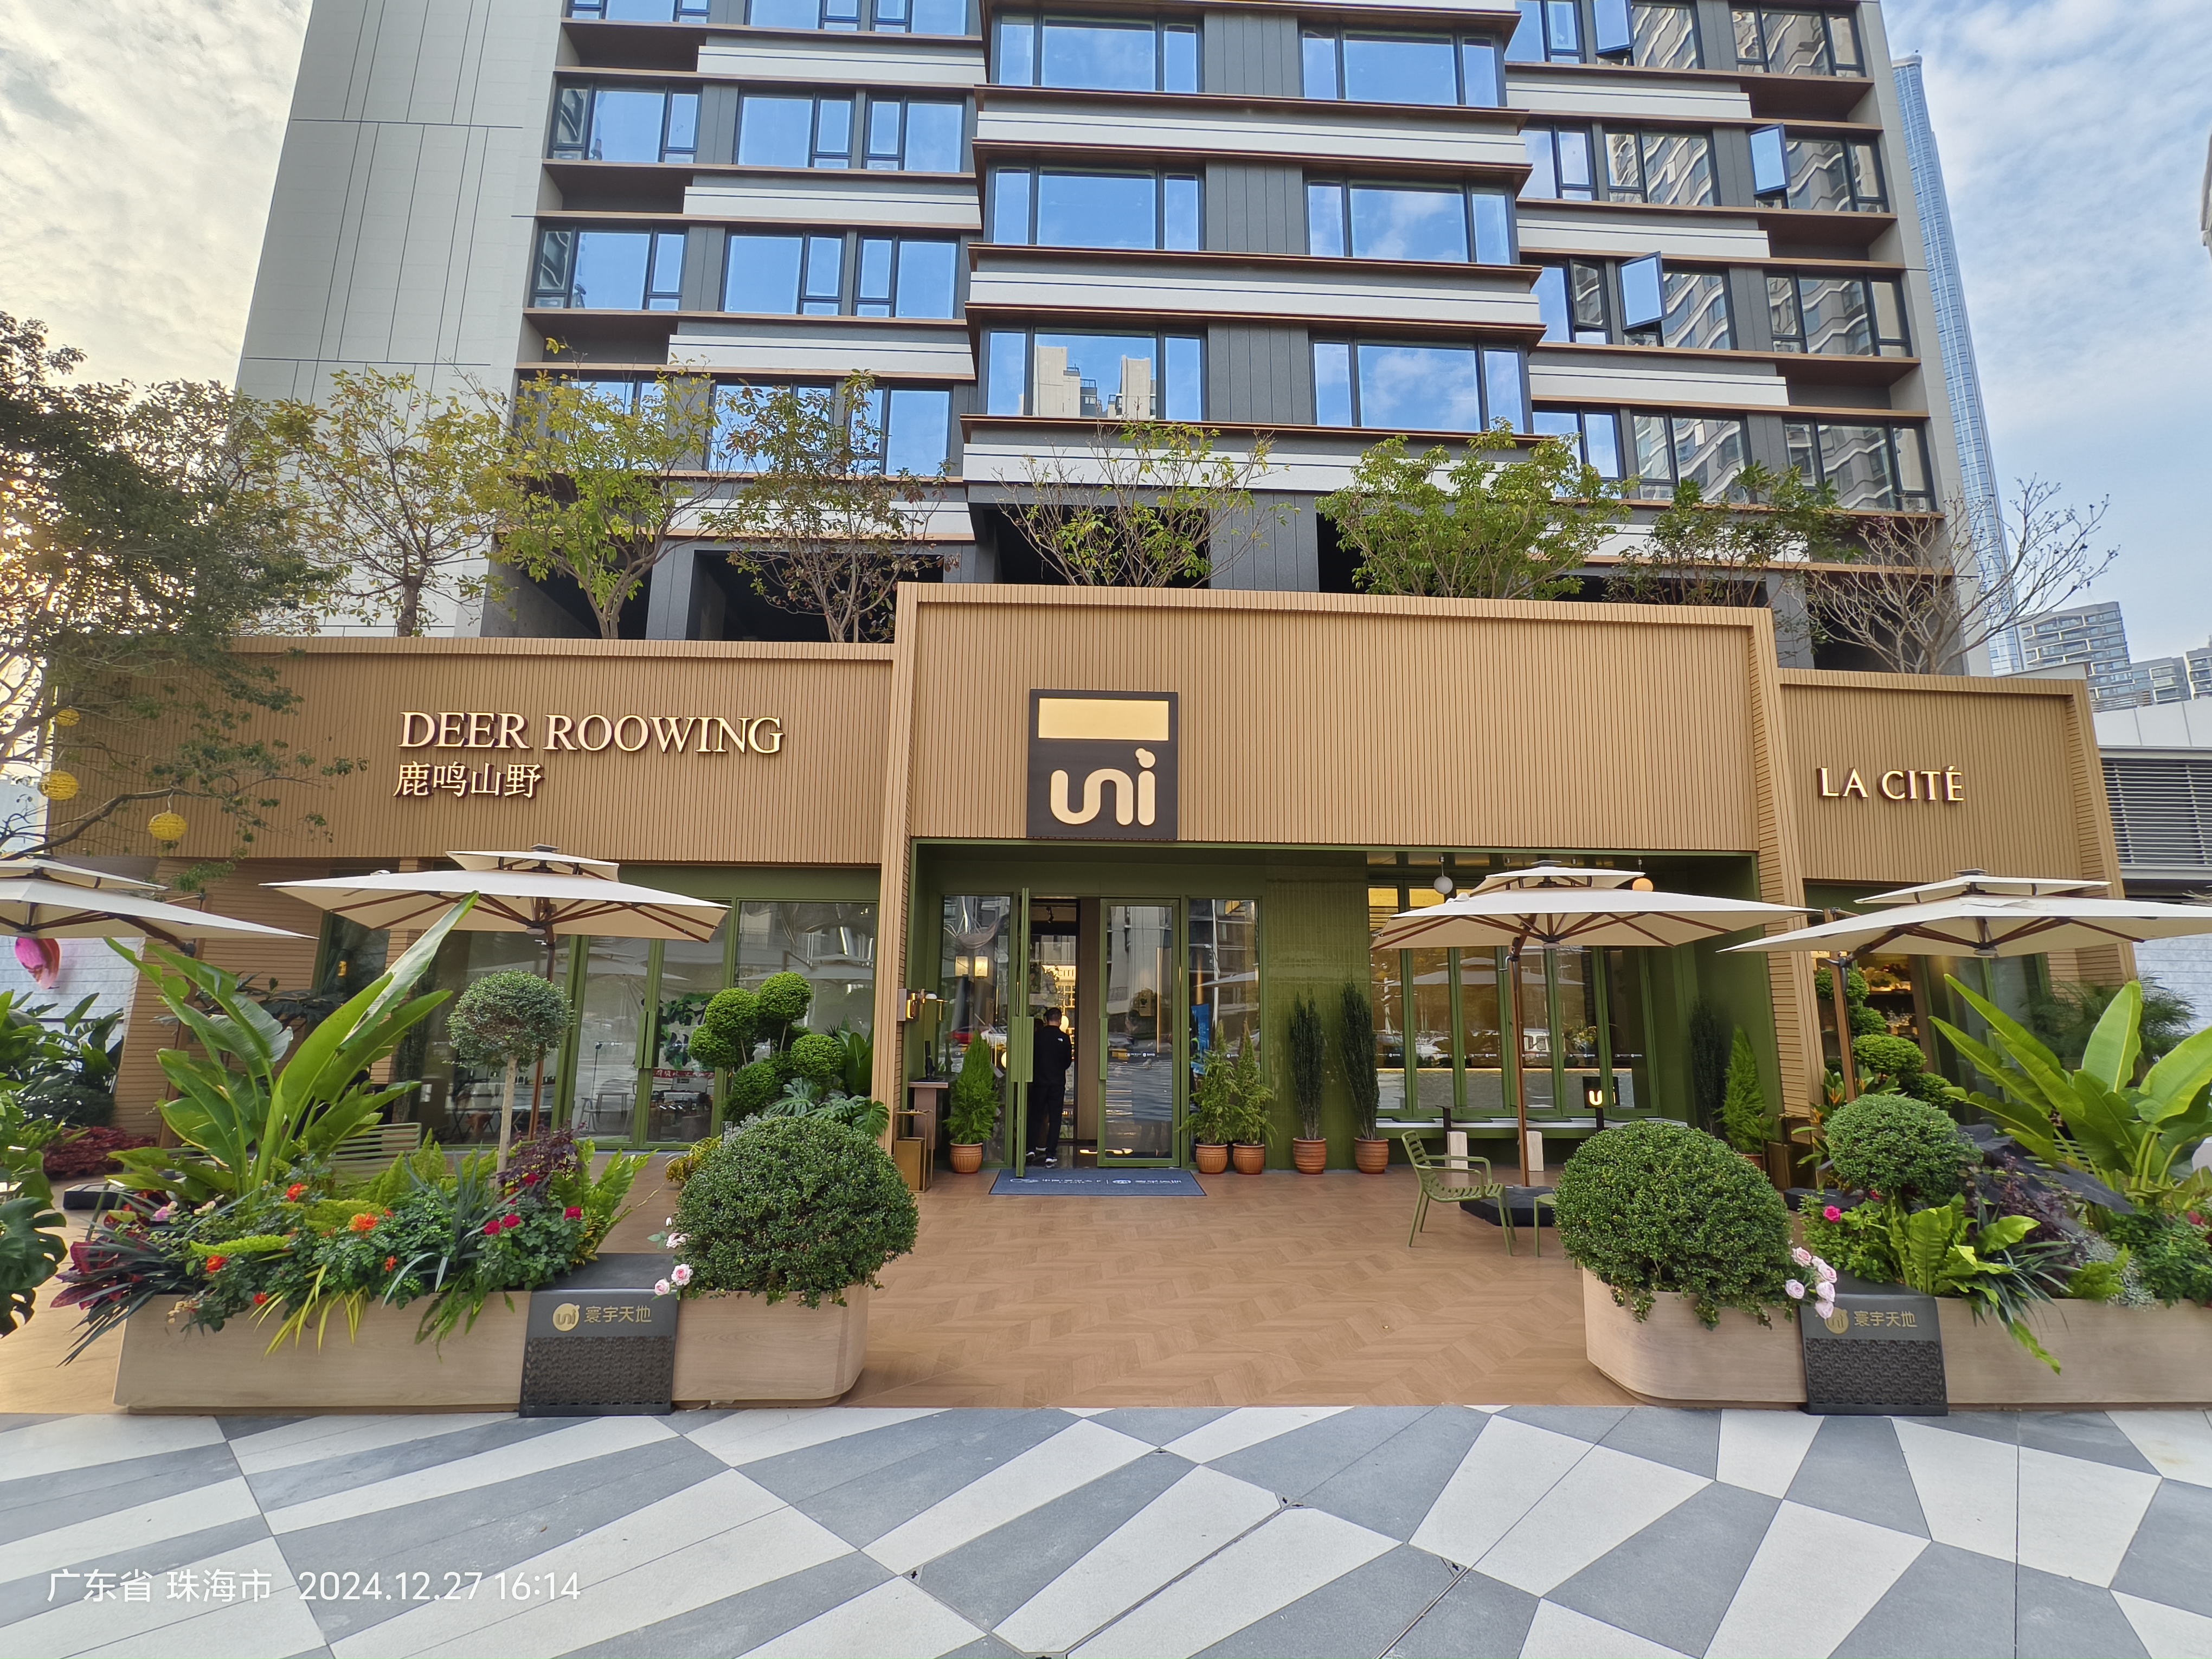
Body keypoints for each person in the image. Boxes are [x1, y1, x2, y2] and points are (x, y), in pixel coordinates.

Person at [1030, 1006, 1072, 1166]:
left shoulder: (1037, 1037)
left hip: (1039, 1082)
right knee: (1055, 1119)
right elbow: (1067, 1062)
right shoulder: (1065, 1038)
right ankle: (1050, 1154)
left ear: (1046, 1020)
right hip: (1057, 1083)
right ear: (1060, 1021)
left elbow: (1031, 1058)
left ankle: (1030, 1149)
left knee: (1036, 1116)